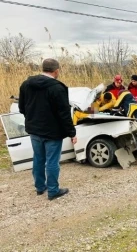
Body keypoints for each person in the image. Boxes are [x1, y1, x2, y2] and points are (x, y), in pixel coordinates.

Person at [18, 58, 77, 201]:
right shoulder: (57, 88)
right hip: (52, 132)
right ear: (56, 71)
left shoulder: (26, 84)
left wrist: (32, 119)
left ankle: (40, 187)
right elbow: (64, 113)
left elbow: (21, 108)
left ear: (43, 68)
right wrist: (72, 132)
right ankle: (53, 190)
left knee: (38, 158)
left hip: (34, 130)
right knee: (52, 161)